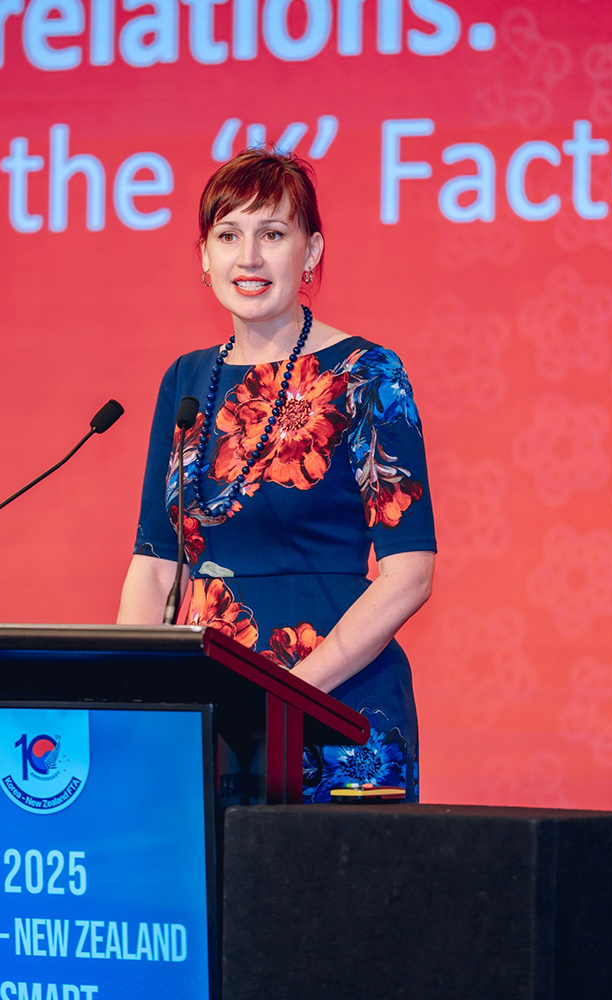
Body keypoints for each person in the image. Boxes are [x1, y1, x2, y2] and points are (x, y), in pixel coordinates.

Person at [116, 147, 436, 802]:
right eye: (229, 235)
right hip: (208, 719)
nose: (250, 257)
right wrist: (130, 707)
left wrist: (291, 693)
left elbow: (411, 573)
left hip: (338, 713)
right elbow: (154, 566)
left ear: (311, 251)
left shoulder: (366, 374)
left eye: (273, 234)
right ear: (204, 258)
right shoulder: (185, 381)